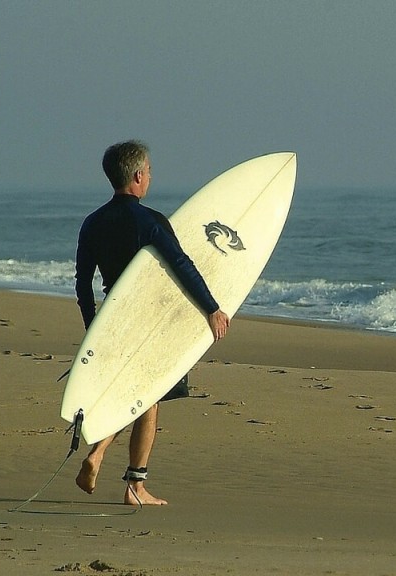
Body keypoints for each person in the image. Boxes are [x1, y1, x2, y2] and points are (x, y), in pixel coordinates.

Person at [74, 140, 231, 505]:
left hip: (111, 321)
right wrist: (212, 308)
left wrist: (91, 327)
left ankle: (104, 462)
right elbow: (182, 266)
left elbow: (83, 282)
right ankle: (132, 484)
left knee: (128, 394)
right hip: (151, 322)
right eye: (150, 172)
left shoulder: (92, 223)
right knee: (148, 399)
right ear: (139, 175)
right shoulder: (150, 222)